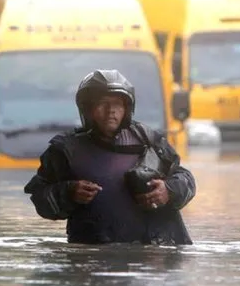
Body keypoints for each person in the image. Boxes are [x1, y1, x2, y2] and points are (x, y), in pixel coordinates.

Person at [23, 69, 196, 245]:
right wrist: (68, 192)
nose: (111, 111)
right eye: (102, 103)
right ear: (88, 108)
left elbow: (185, 178)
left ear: (127, 109)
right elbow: (39, 196)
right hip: (93, 255)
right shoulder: (66, 150)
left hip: (155, 256)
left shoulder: (148, 140)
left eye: (118, 104)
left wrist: (168, 190)